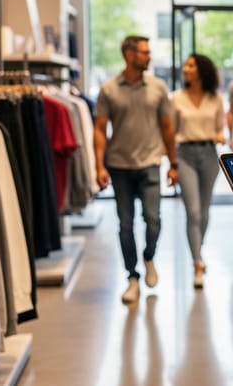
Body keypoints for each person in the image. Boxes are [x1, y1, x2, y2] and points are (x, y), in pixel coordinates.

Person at [94, 35, 178, 304]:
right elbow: (99, 129)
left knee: (153, 220)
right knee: (125, 225)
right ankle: (132, 277)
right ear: (129, 55)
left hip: (151, 164)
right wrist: (99, 166)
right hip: (119, 167)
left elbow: (167, 127)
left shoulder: (158, 87)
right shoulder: (108, 89)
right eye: (144, 52)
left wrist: (173, 164)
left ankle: (149, 257)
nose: (149, 56)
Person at [172, 53, 225, 288]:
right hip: (185, 155)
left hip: (209, 155)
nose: (186, 69)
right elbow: (169, 132)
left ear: (202, 70)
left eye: (191, 65)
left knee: (203, 213)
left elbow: (220, 127)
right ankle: (196, 263)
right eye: (186, 65)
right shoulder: (176, 98)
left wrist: (221, 135)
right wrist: (172, 164)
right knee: (193, 212)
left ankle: (198, 251)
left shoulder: (215, 99)